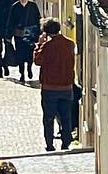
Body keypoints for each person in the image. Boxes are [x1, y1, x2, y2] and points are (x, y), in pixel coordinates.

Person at [33, 18, 77, 151]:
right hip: (66, 87)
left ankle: (50, 144)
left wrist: (39, 45)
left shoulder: (47, 46)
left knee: (49, 117)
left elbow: (37, 61)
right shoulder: (70, 44)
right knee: (66, 116)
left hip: (50, 88)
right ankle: (66, 143)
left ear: (45, 32)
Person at [4, 0, 41, 82]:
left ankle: (29, 68)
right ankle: (22, 74)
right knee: (20, 55)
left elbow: (38, 19)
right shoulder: (15, 7)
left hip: (31, 35)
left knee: (30, 54)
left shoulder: (33, 6)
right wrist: (8, 36)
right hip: (19, 35)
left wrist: (40, 33)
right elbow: (10, 22)